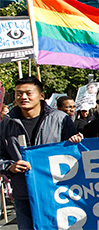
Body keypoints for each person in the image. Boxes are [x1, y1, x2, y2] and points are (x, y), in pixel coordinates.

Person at [0, 77, 77, 229]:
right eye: (18, 93)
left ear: (41, 95)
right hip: (24, 194)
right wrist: (10, 167)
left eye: (28, 93)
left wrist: (75, 141)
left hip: (57, 192)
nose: (23, 97)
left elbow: (74, 154)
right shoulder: (6, 124)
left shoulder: (60, 119)